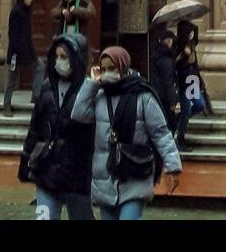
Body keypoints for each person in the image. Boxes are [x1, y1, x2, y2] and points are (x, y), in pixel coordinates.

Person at [71, 46, 181, 220]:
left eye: (112, 68)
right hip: (105, 179)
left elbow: (160, 133)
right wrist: (91, 83)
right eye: (104, 69)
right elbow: (78, 114)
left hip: (134, 174)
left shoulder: (143, 96)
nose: (108, 73)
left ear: (123, 67)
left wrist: (173, 166)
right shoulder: (100, 95)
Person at [22, 33, 94, 220]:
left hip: (78, 176)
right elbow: (35, 127)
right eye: (57, 56)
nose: (59, 62)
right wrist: (26, 159)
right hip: (48, 171)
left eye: (65, 57)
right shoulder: (47, 87)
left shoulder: (89, 91)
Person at [174, 20, 211, 151]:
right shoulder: (177, 45)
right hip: (182, 81)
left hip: (192, 79)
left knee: (199, 104)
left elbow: (195, 65)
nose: (191, 34)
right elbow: (173, 63)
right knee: (186, 110)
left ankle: (177, 120)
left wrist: (200, 80)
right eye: (189, 32)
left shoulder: (192, 45)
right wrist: (183, 54)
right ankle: (180, 138)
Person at [4, 0, 41, 116]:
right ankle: (6, 106)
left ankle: (36, 95)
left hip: (28, 50)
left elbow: (27, 34)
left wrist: (30, 50)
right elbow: (13, 35)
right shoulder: (16, 12)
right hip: (17, 52)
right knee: (12, 80)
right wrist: (16, 52)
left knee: (40, 66)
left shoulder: (26, 11)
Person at [149, 28, 181, 133]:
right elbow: (168, 82)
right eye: (171, 40)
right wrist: (173, 101)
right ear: (168, 41)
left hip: (157, 93)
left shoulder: (157, 54)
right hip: (165, 96)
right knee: (169, 124)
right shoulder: (165, 59)